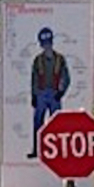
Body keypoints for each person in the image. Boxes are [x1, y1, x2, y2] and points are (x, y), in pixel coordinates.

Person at [27, 26, 71, 157]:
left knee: (57, 124)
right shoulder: (37, 60)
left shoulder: (60, 59)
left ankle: (57, 150)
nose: (46, 47)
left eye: (48, 43)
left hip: (54, 94)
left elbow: (66, 77)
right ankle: (37, 150)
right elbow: (34, 78)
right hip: (41, 94)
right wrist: (34, 95)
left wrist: (61, 92)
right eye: (44, 44)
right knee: (38, 123)